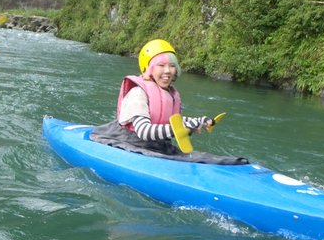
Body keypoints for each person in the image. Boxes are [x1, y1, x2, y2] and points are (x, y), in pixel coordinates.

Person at [90, 39, 248, 165]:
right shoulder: (138, 93)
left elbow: (176, 121)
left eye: (172, 66)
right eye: (161, 65)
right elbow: (144, 132)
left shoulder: (171, 94)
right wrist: (178, 129)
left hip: (159, 146)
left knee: (208, 158)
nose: (168, 71)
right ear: (148, 68)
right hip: (132, 142)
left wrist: (199, 121)